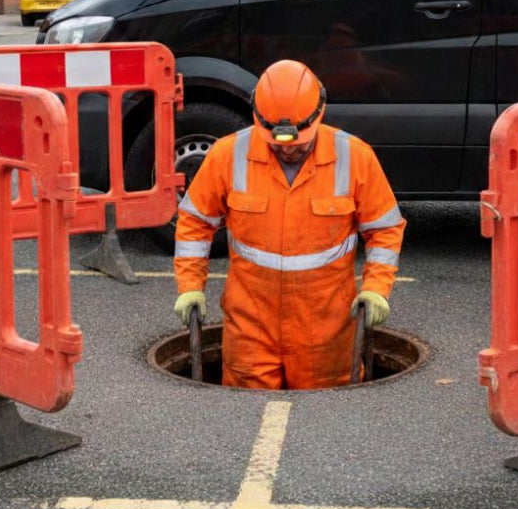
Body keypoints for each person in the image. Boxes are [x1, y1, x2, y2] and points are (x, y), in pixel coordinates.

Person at [172, 59, 405, 389]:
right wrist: (190, 287)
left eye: (298, 143)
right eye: (278, 143)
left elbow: (384, 229)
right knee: (243, 413)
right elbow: (195, 222)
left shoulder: (354, 157)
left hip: (326, 328)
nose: (289, 150)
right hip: (251, 324)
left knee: (325, 420)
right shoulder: (228, 154)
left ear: (319, 115)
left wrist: (376, 290)